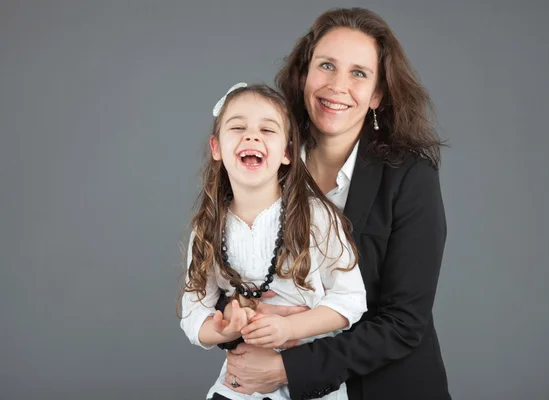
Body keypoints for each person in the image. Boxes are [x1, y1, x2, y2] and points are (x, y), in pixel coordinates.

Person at [216, 7, 451, 400]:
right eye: (326, 66)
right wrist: (239, 314)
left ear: (377, 94)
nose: (337, 86)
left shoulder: (411, 177)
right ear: (304, 74)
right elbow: (225, 263)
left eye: (358, 73)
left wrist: (287, 369)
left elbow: (404, 322)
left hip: (382, 389)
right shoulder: (263, 156)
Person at [179, 83, 367, 400]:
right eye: (238, 127)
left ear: (287, 153)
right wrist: (225, 328)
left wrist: (290, 329)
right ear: (216, 148)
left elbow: (351, 299)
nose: (251, 136)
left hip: (309, 373)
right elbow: (193, 312)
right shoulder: (208, 228)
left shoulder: (316, 217)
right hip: (243, 375)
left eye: (267, 130)